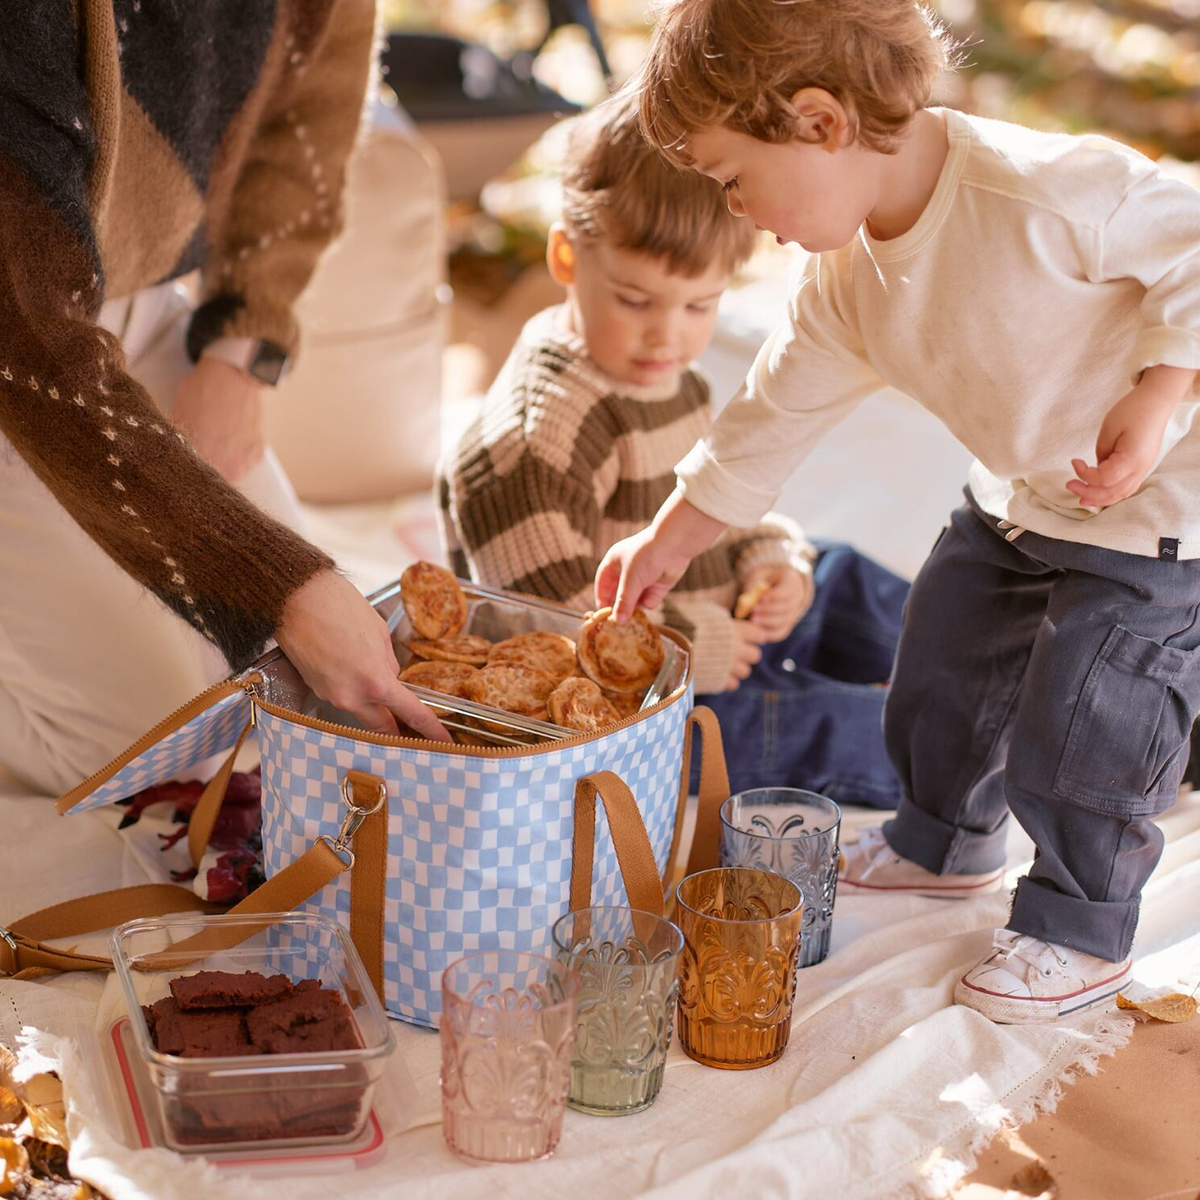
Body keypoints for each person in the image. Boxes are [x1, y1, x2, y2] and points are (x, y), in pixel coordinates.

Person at [596, 0, 1200, 1024]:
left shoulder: (1043, 192)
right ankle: (944, 841)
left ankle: (1077, 923)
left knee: (1090, 710)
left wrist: (1162, 387)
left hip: (1160, 505)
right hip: (1026, 494)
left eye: (733, 179)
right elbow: (769, 416)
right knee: (944, 650)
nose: (739, 212)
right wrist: (674, 533)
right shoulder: (844, 283)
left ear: (821, 123)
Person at [0, 0, 449, 796]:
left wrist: (244, 350)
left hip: (118, 309)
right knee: (145, 747)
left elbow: (307, 117)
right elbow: (28, 339)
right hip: (26, 342)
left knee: (275, 692)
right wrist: (281, 585)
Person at [438, 91, 908, 807]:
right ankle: (959, 742)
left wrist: (765, 559)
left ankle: (979, 659)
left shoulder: (667, 379)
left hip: (716, 628)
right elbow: (544, 619)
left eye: (699, 306)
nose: (667, 337)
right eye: (634, 300)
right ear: (567, 254)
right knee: (815, 727)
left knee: (835, 570)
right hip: (632, 710)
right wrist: (693, 646)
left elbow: (713, 497)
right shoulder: (532, 435)